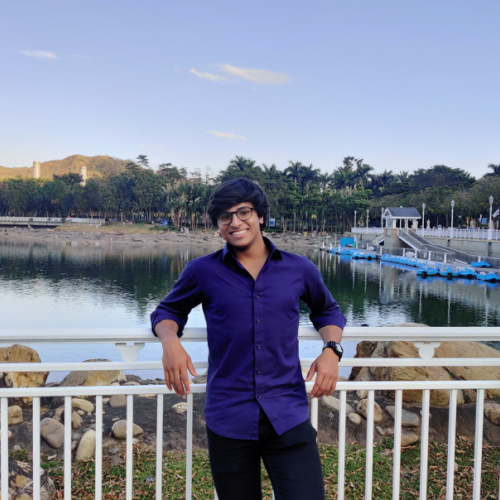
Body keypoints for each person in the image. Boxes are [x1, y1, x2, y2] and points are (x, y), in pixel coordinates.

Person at [150, 178, 346, 500]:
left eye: (244, 212)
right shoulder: (202, 271)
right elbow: (167, 311)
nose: (235, 222)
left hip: (287, 412)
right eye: (225, 217)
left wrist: (331, 350)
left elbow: (328, 311)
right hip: (229, 415)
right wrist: (170, 342)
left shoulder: (299, 269)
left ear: (261, 217)